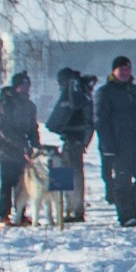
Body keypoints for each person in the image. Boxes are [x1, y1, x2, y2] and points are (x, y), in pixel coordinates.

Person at [93, 56, 136, 227]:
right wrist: (107, 145)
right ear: (114, 71)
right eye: (121, 69)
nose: (124, 72)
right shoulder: (105, 92)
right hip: (118, 146)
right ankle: (126, 216)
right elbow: (100, 120)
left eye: (127, 69)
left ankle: (132, 209)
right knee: (122, 182)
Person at [0, 72, 43, 225]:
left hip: (23, 153)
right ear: (16, 86)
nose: (25, 88)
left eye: (27, 85)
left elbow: (32, 128)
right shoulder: (4, 104)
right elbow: (3, 129)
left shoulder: (29, 105)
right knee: (6, 184)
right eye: (22, 85)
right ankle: (4, 215)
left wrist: (36, 146)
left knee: (22, 184)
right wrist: (22, 145)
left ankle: (20, 214)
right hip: (6, 150)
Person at [45, 66, 96, 223]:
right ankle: (73, 208)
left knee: (66, 172)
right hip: (78, 139)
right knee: (73, 172)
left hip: (72, 139)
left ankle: (71, 209)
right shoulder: (81, 91)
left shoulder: (73, 91)